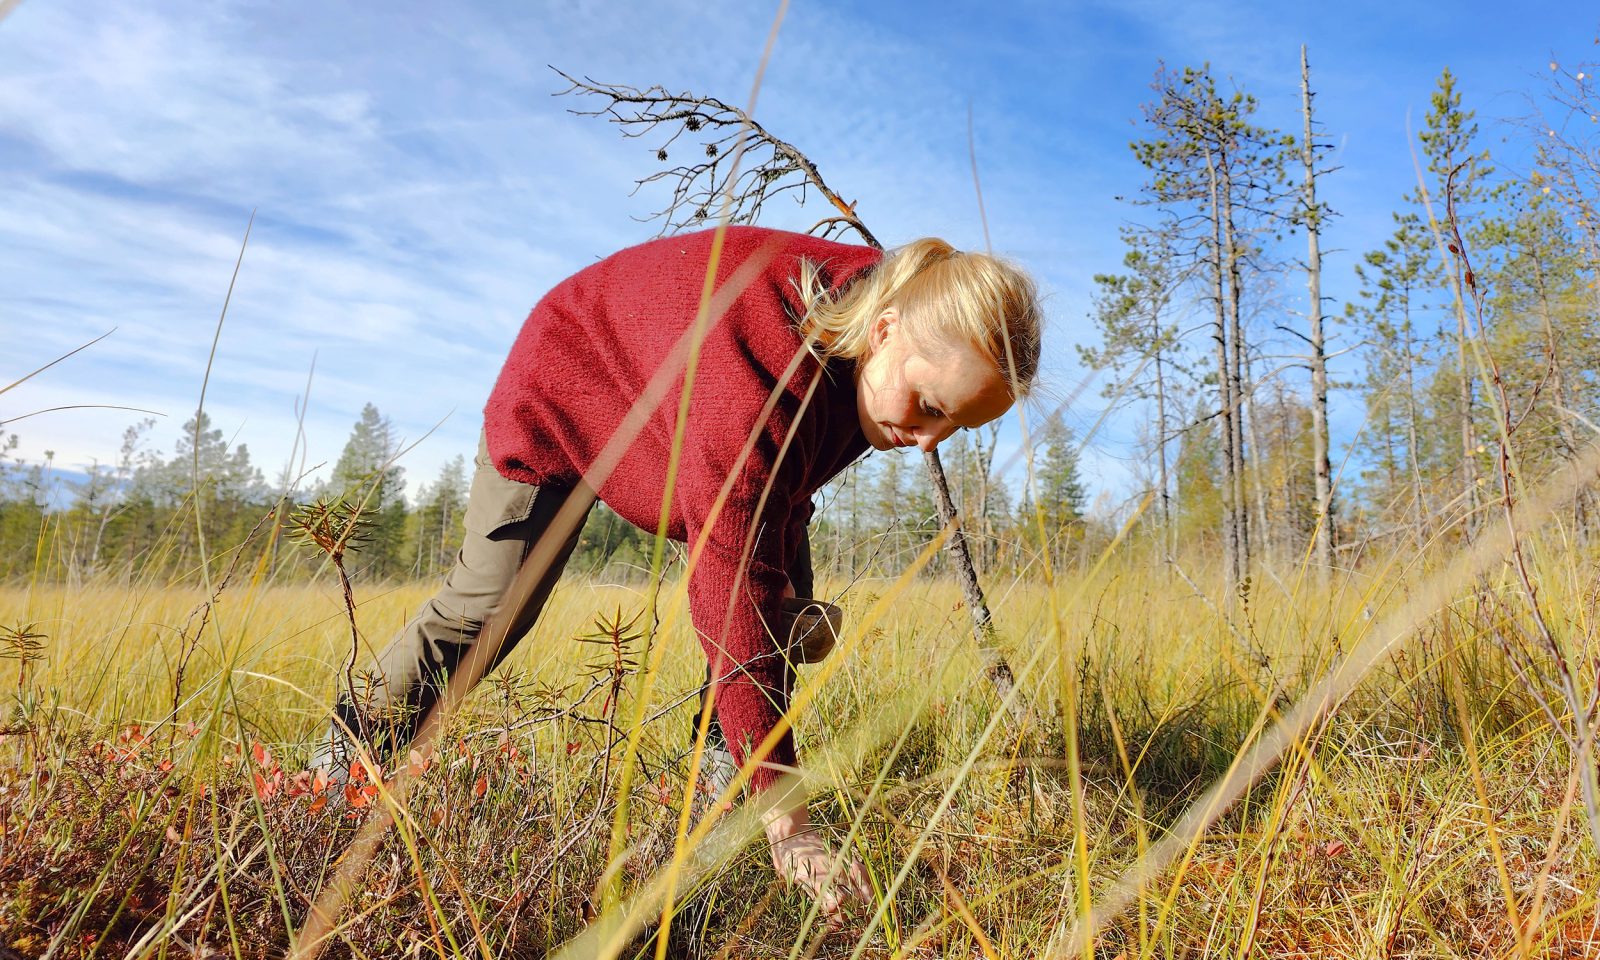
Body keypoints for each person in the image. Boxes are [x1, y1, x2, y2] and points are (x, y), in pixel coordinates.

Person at [317, 224, 1042, 919]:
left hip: (686, 411)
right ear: (884, 331)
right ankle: (329, 776)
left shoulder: (882, 336)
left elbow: (784, 494)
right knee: (490, 605)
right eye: (929, 407)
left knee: (786, 618)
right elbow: (731, 597)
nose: (928, 441)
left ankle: (711, 821)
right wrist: (790, 816)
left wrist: (783, 593)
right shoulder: (764, 374)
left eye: (957, 427)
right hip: (563, 380)